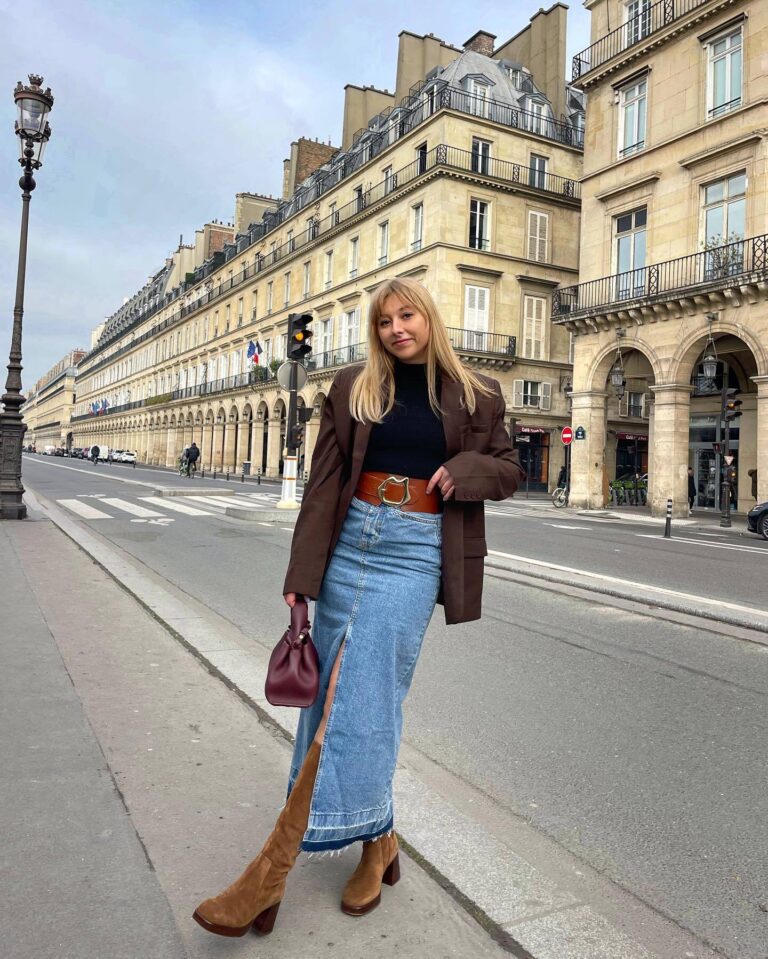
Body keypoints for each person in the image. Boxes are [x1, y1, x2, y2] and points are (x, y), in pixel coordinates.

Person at [193, 277, 525, 938]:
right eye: (384, 321)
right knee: (333, 702)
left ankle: (270, 872)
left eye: (407, 316)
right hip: (352, 543)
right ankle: (379, 842)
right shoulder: (352, 388)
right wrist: (301, 575)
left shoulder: (478, 394)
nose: (396, 328)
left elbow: (510, 468)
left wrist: (466, 469)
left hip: (417, 550)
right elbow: (322, 484)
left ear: (428, 317)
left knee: (359, 693)